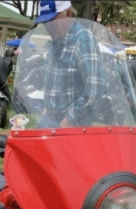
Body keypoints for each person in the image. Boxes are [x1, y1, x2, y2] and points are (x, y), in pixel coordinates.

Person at [32, 0, 102, 128]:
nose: (48, 26)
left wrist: (69, 119)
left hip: (72, 125)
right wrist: (47, 109)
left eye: (52, 21)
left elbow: (95, 89)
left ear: (68, 14)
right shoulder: (55, 42)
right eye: (45, 22)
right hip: (49, 119)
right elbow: (52, 83)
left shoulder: (83, 39)